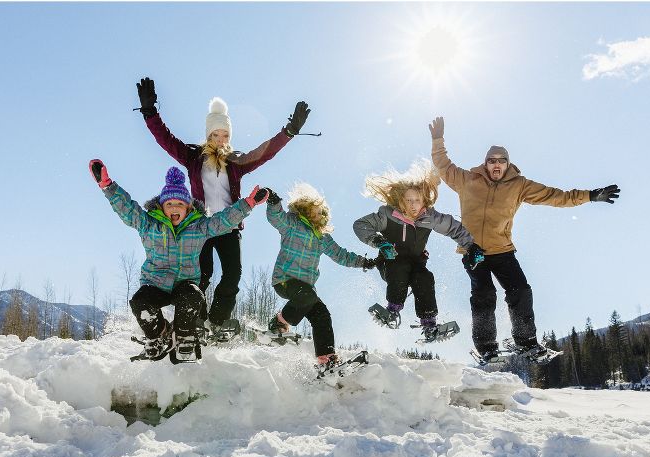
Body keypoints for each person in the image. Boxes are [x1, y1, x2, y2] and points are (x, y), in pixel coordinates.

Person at [428, 116, 620, 363]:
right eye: (492, 161)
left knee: (520, 291)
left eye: (501, 161)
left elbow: (555, 196)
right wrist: (437, 139)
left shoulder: (519, 185)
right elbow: (443, 165)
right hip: (472, 250)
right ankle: (487, 347)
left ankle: (526, 341)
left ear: (508, 164)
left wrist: (590, 196)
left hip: (503, 251)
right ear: (485, 164)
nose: (496, 165)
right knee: (484, 294)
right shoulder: (467, 180)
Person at [135, 77, 310, 335]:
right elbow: (166, 139)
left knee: (232, 275)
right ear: (208, 134)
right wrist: (150, 112)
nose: (220, 139)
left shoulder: (235, 161)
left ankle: (216, 322)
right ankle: (195, 322)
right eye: (215, 134)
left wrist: (289, 132)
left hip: (228, 227)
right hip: (201, 227)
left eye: (225, 134)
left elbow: (265, 151)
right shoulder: (193, 157)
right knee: (200, 277)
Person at [88, 159, 267, 361]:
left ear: (188, 207)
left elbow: (222, 221)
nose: (175, 207)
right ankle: (159, 333)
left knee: (193, 296)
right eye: (170, 203)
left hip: (184, 283)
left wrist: (248, 204)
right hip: (155, 283)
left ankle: (184, 335)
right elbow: (128, 209)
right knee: (140, 302)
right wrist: (108, 186)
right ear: (162, 206)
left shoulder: (198, 226)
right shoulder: (149, 224)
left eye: (180, 204)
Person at [353, 164, 484, 341]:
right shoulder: (386, 215)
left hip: (416, 265)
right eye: (408, 200)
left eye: (417, 200)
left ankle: (429, 323)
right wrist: (379, 242)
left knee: (425, 277)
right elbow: (360, 225)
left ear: (424, 201)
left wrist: (471, 246)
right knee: (400, 266)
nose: (413, 205)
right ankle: (392, 310)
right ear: (400, 201)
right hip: (390, 264)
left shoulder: (429, 218)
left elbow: (454, 228)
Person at [263, 183, 379, 369]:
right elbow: (276, 218)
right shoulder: (292, 224)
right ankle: (278, 322)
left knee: (322, 315)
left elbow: (341, 255)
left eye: (322, 213)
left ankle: (327, 359)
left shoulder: (322, 237)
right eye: (316, 212)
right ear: (305, 210)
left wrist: (364, 262)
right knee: (307, 294)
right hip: (285, 281)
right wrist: (274, 202)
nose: (320, 216)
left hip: (306, 291)